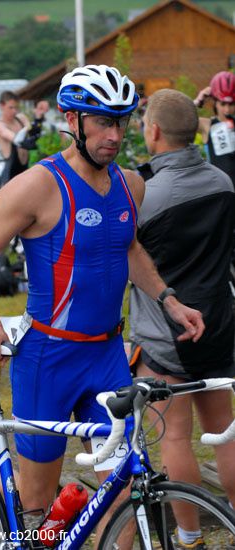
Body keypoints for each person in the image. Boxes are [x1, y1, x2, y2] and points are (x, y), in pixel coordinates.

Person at [0, 65, 204, 544]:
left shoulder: (130, 185)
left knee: (122, 488)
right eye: (102, 122)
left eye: (122, 121)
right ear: (72, 120)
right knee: (34, 499)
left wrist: (168, 299)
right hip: (47, 358)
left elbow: (128, 248)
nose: (115, 135)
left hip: (107, 356)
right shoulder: (37, 186)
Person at [130, 88, 235, 549]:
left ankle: (189, 534)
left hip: (164, 330)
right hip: (219, 322)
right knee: (224, 432)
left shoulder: (146, 194)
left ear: (152, 131)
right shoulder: (223, 182)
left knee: (174, 435)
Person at [194, 71, 235, 187]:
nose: (227, 110)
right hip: (220, 192)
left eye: (231, 104)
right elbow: (175, 121)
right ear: (215, 102)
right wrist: (197, 101)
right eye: (222, 104)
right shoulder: (207, 125)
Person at [0, 90, 36, 188]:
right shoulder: (0, 125)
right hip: (10, 173)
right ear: (1, 106)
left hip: (24, 169)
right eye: (11, 107)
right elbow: (16, 139)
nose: (14, 111)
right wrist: (26, 139)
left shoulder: (20, 118)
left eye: (16, 107)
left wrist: (38, 119)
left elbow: (32, 130)